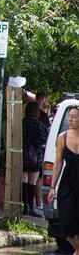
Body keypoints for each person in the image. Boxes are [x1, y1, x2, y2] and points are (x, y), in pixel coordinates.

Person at [47, 106, 79, 255]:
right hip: (68, 183)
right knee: (65, 220)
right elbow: (58, 162)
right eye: (69, 116)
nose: (70, 119)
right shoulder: (62, 137)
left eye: (74, 116)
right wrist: (52, 187)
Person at [22, 102, 46, 217]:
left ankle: (24, 206)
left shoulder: (22, 122)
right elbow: (42, 142)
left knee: (24, 180)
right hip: (36, 156)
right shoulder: (40, 125)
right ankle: (32, 207)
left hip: (23, 155)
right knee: (33, 181)